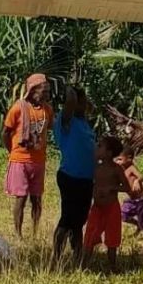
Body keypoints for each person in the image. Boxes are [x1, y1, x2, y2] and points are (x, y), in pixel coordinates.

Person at [2, 73, 53, 238]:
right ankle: (18, 234)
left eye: (47, 92)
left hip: (39, 161)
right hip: (20, 160)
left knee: (37, 199)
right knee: (21, 198)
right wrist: (12, 151)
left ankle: (35, 232)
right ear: (32, 90)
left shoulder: (47, 110)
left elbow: (50, 129)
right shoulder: (18, 108)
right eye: (43, 91)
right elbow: (6, 132)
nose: (46, 95)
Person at [52, 86, 95, 263]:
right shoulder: (65, 121)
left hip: (86, 179)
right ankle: (56, 256)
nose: (85, 105)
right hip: (70, 177)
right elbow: (69, 100)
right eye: (82, 101)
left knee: (79, 220)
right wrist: (70, 86)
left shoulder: (83, 123)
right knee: (68, 218)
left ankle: (77, 255)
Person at [83, 136, 128, 268]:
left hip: (111, 208)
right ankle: (84, 264)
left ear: (109, 153)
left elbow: (126, 187)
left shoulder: (116, 169)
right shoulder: (97, 166)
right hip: (97, 207)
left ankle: (112, 265)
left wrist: (112, 188)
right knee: (90, 236)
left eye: (100, 146)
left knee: (112, 238)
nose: (97, 148)